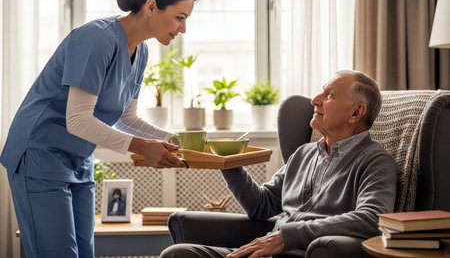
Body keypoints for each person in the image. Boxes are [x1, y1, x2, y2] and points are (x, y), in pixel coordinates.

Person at [0, 0, 197, 258]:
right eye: (179, 17)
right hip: (39, 153)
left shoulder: (140, 51)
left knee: (84, 252)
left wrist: (176, 140)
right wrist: (143, 148)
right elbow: (78, 119)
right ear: (151, 7)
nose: (183, 28)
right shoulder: (96, 39)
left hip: (78, 159)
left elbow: (126, 118)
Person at [161, 70, 397, 258]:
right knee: (178, 254)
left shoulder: (375, 161)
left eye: (329, 95)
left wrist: (288, 236)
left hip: (302, 252)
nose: (315, 100)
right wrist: (228, 161)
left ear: (356, 112)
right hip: (263, 251)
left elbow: (372, 218)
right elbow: (262, 206)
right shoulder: (304, 154)